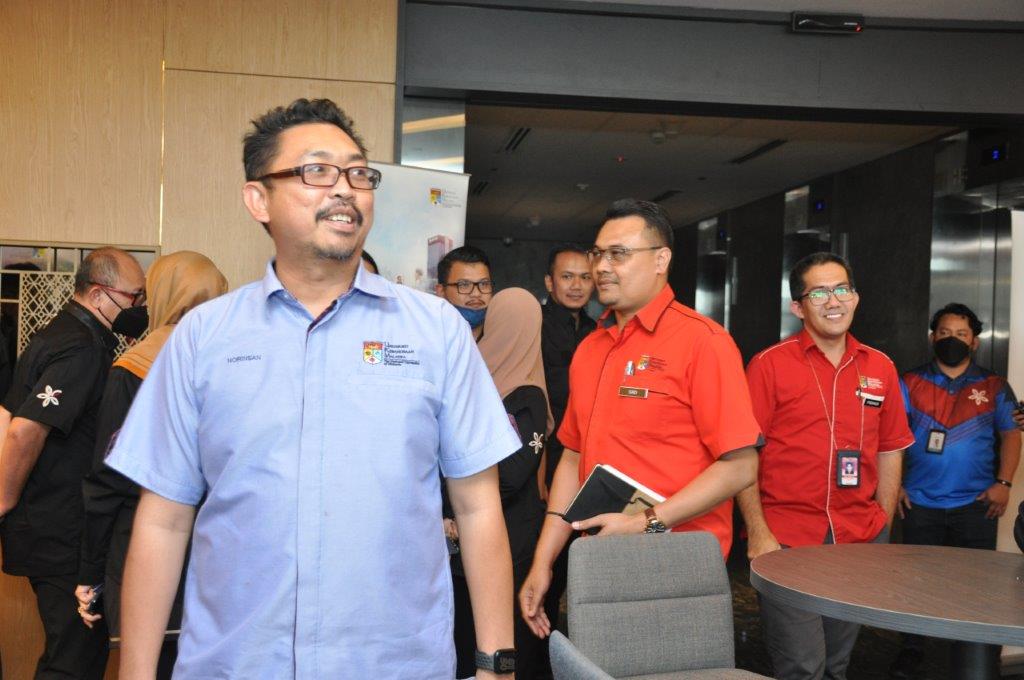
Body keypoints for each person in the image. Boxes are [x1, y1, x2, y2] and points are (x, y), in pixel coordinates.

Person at [104, 98, 520, 679]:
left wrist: (496, 665)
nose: (345, 189)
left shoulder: (437, 332)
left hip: (394, 666)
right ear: (259, 199)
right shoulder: (203, 337)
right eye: (317, 171)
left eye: (359, 174)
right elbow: (163, 519)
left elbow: (477, 507)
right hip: (236, 664)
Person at [519, 198, 761, 640]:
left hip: (678, 564)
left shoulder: (703, 342)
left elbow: (741, 466)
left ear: (661, 260)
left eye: (619, 254)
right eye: (598, 254)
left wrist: (644, 522)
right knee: (593, 665)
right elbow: (572, 456)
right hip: (599, 556)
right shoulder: (591, 348)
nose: (601, 267)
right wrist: (544, 560)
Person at [738, 252, 914, 680]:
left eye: (841, 289)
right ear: (798, 307)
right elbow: (743, 453)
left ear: (856, 297)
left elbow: (891, 448)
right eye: (818, 293)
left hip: (857, 539)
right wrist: (758, 532)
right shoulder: (769, 365)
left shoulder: (880, 367)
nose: (833, 301)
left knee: (837, 663)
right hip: (787, 539)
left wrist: (883, 522)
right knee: (802, 664)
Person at [73, 251, 228, 679]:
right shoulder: (237, 362)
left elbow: (107, 480)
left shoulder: (136, 366)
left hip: (143, 547)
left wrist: (90, 571)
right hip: (220, 555)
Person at [0, 247, 146, 680]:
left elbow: (5, 411)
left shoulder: (59, 332)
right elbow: (22, 429)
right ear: (99, 295)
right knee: (73, 661)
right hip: (60, 531)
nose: (140, 308)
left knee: (72, 656)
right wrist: (3, 500)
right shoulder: (82, 349)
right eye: (135, 297)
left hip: (50, 524)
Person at [889, 303, 1021, 679]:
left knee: (976, 586)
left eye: (961, 334)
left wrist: (1004, 484)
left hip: (976, 505)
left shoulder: (994, 385)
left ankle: (976, 653)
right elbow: (891, 436)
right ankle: (912, 649)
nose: (952, 340)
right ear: (933, 338)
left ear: (974, 342)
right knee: (914, 583)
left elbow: (1012, 434)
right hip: (919, 502)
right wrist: (894, 485)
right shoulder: (909, 381)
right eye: (945, 333)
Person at [450, 287, 552, 679]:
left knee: (500, 638)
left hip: (510, 538)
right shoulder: (474, 377)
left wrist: (456, 498)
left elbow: (511, 475)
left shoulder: (528, 394)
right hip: (468, 538)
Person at [435, 245, 494, 340]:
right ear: (441, 291)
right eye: (464, 285)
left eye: (484, 284)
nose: (476, 294)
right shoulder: (428, 340)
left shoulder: (505, 337)